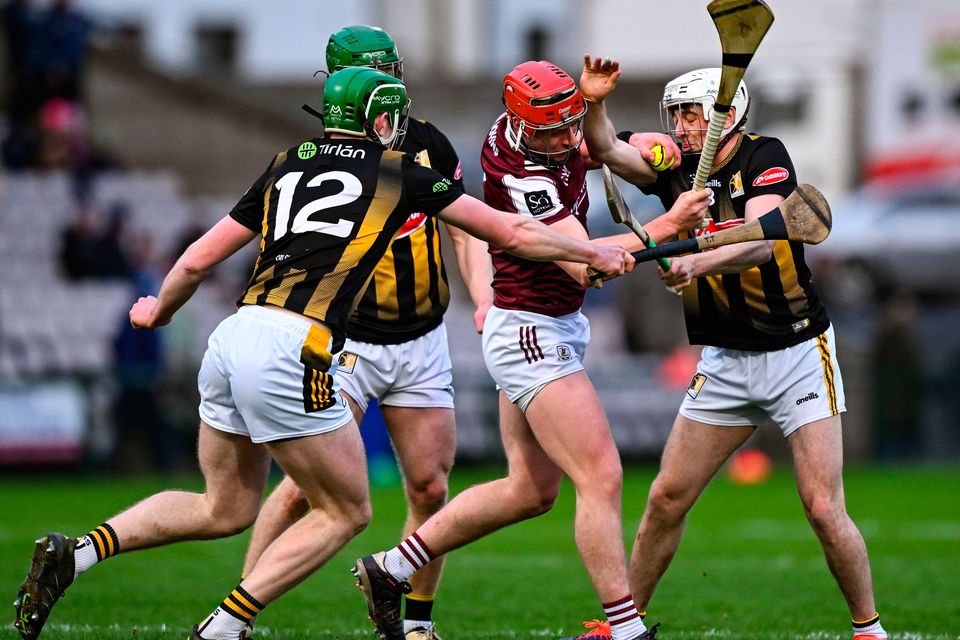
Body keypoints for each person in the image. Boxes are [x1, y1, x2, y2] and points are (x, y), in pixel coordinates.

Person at [12, 66, 632, 640]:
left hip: (231, 337)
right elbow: (513, 231)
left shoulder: (287, 162)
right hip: (296, 345)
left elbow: (200, 257)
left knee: (222, 505)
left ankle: (81, 551)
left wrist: (159, 309)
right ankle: (224, 628)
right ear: (382, 119)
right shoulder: (398, 171)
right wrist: (592, 251)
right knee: (347, 511)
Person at [350, 60, 710, 640]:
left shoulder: (541, 129)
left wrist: (600, 114)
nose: (564, 140)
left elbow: (596, 147)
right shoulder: (525, 178)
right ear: (523, 125)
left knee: (529, 491)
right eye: (552, 131)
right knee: (602, 475)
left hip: (545, 326)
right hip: (531, 332)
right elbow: (581, 266)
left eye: (568, 124)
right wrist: (666, 226)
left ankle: (392, 568)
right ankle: (625, 628)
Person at [579, 56, 888, 640]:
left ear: (728, 114)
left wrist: (694, 261)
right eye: (677, 115)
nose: (682, 126)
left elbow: (761, 241)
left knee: (823, 507)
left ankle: (868, 629)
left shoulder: (763, 155)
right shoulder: (675, 168)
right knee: (667, 498)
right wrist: (595, 103)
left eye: (692, 115)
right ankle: (625, 628)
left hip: (796, 351)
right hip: (724, 361)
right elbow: (606, 152)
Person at [238, 25, 492, 640]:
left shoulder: (428, 143)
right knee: (304, 489)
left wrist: (483, 301)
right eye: (383, 74)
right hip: (347, 339)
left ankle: (416, 624)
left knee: (430, 488)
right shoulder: (320, 159)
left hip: (423, 338)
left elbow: (464, 230)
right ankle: (239, 612)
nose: (395, 84)